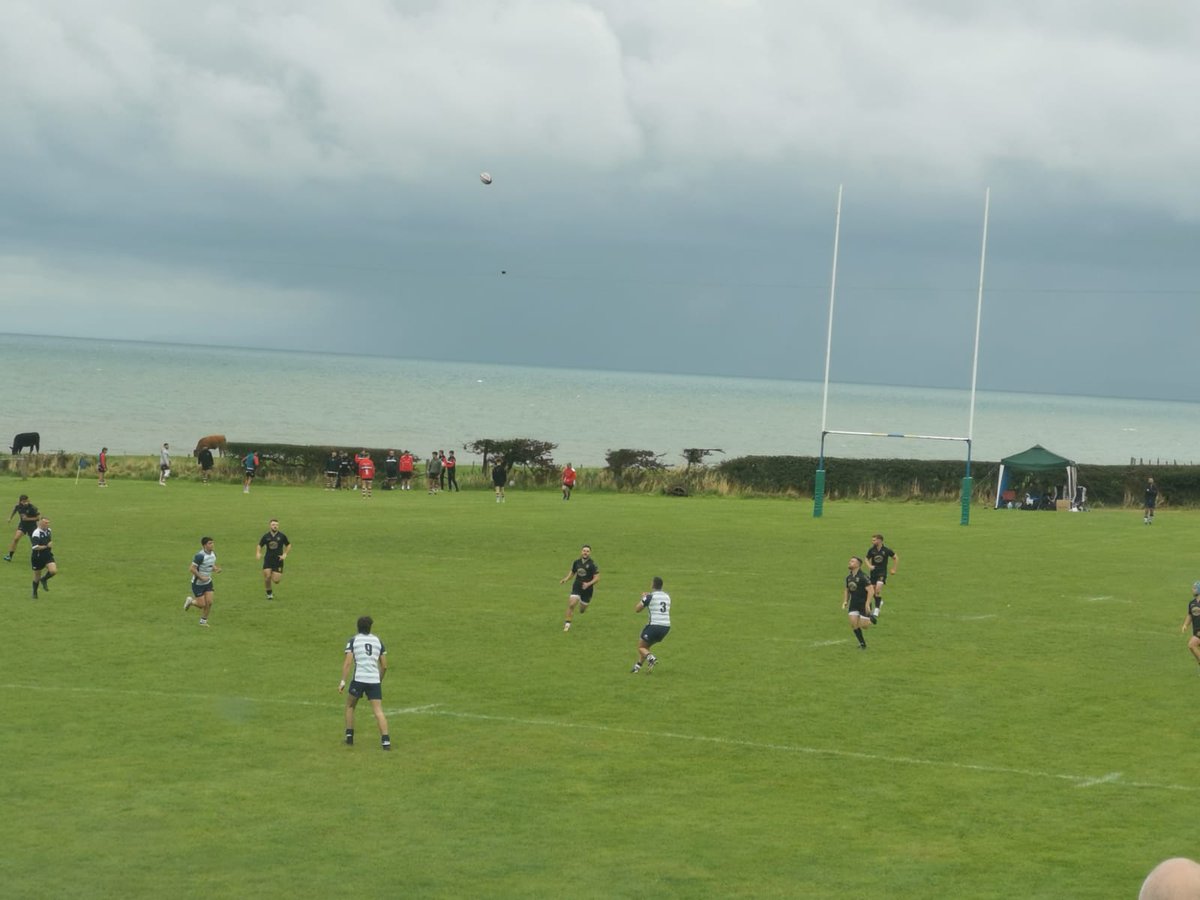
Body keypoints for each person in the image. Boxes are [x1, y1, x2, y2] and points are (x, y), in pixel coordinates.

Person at [338, 615, 391, 751]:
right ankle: (386, 741)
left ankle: (349, 737)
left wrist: (343, 681)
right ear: (370, 627)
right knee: (378, 711)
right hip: (374, 680)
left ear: (358, 627)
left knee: (350, 706)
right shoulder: (378, 641)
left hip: (359, 679)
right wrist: (379, 680)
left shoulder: (354, 641)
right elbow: (384, 665)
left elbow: (348, 663)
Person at [630, 576, 671, 673]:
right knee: (646, 647)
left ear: (653, 585)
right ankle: (637, 667)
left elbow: (637, 609)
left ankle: (651, 659)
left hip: (654, 626)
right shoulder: (667, 596)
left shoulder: (649, 597)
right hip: (666, 627)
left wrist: (644, 598)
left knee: (641, 647)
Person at [560, 543, 600, 631]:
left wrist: (588, 584)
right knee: (571, 604)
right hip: (577, 586)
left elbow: (597, 578)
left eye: (587, 551)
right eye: (584, 551)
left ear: (590, 553)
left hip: (588, 590)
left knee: (582, 610)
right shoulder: (576, 562)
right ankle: (567, 624)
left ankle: (582, 602)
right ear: (581, 552)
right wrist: (566, 579)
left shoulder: (593, 564)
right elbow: (573, 572)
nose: (585, 552)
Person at [183, 536, 220, 627]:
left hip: (208, 582)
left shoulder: (213, 554)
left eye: (212, 542)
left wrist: (216, 569)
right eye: (210, 543)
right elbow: (192, 569)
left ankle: (203, 621)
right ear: (204, 545)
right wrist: (201, 578)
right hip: (198, 584)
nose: (212, 545)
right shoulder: (200, 556)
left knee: (209, 602)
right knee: (201, 605)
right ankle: (191, 602)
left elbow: (211, 564)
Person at [842, 556, 876, 650]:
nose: (850, 562)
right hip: (853, 604)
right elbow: (847, 590)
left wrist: (867, 603)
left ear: (858, 565)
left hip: (863, 604)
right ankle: (862, 644)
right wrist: (845, 601)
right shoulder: (849, 577)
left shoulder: (863, 577)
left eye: (852, 561)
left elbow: (871, 590)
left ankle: (872, 618)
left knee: (864, 626)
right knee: (853, 624)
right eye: (850, 561)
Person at [256, 518, 291, 600]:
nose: (275, 526)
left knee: (276, 581)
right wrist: (258, 552)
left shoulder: (282, 536)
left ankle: (272, 573)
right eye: (273, 525)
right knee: (267, 577)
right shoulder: (266, 536)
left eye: (276, 525)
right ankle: (269, 594)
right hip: (268, 559)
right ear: (270, 526)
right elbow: (259, 545)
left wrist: (285, 554)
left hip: (278, 560)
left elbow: (288, 545)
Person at [865, 533, 899, 618]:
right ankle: (878, 603)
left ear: (879, 540)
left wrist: (894, 569)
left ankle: (876, 609)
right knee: (872, 591)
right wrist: (869, 566)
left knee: (878, 589)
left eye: (874, 540)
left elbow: (895, 557)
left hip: (882, 573)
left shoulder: (886, 550)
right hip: (873, 573)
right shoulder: (871, 550)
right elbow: (866, 558)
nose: (872, 541)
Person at [4, 494, 40, 562]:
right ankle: (9, 556)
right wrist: (10, 518)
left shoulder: (32, 508)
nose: (26, 502)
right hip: (23, 525)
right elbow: (14, 510)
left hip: (32, 527)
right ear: (20, 501)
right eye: (24, 501)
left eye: (27, 501)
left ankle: (37, 557)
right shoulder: (18, 506)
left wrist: (27, 519)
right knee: (16, 539)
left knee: (34, 543)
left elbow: (38, 518)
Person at [30, 516, 57, 599]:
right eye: (45, 523)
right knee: (36, 577)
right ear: (40, 523)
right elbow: (34, 547)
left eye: (48, 523)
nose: (47, 524)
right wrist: (46, 546)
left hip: (47, 555)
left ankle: (44, 579)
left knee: (53, 571)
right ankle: (34, 592)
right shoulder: (36, 533)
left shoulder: (49, 530)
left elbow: (49, 540)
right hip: (37, 557)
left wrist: (49, 544)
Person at [1181, 581, 1200, 671]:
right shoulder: (1192, 603)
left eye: (1194, 588)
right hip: (1196, 632)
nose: (1192, 590)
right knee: (1192, 646)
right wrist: (1185, 625)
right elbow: (1190, 615)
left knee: (1192, 645)